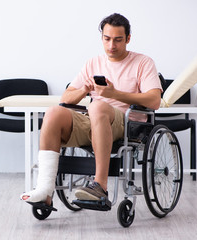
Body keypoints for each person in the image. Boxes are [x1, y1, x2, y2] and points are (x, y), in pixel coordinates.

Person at [20, 13, 162, 206]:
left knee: (98, 106)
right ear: (102, 38)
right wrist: (84, 89)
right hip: (93, 119)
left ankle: (100, 186)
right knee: (54, 112)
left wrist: (114, 94)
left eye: (118, 40)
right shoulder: (93, 63)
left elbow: (154, 100)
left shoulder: (143, 62)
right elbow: (66, 98)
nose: (112, 45)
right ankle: (45, 190)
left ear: (128, 39)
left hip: (126, 123)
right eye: (107, 39)